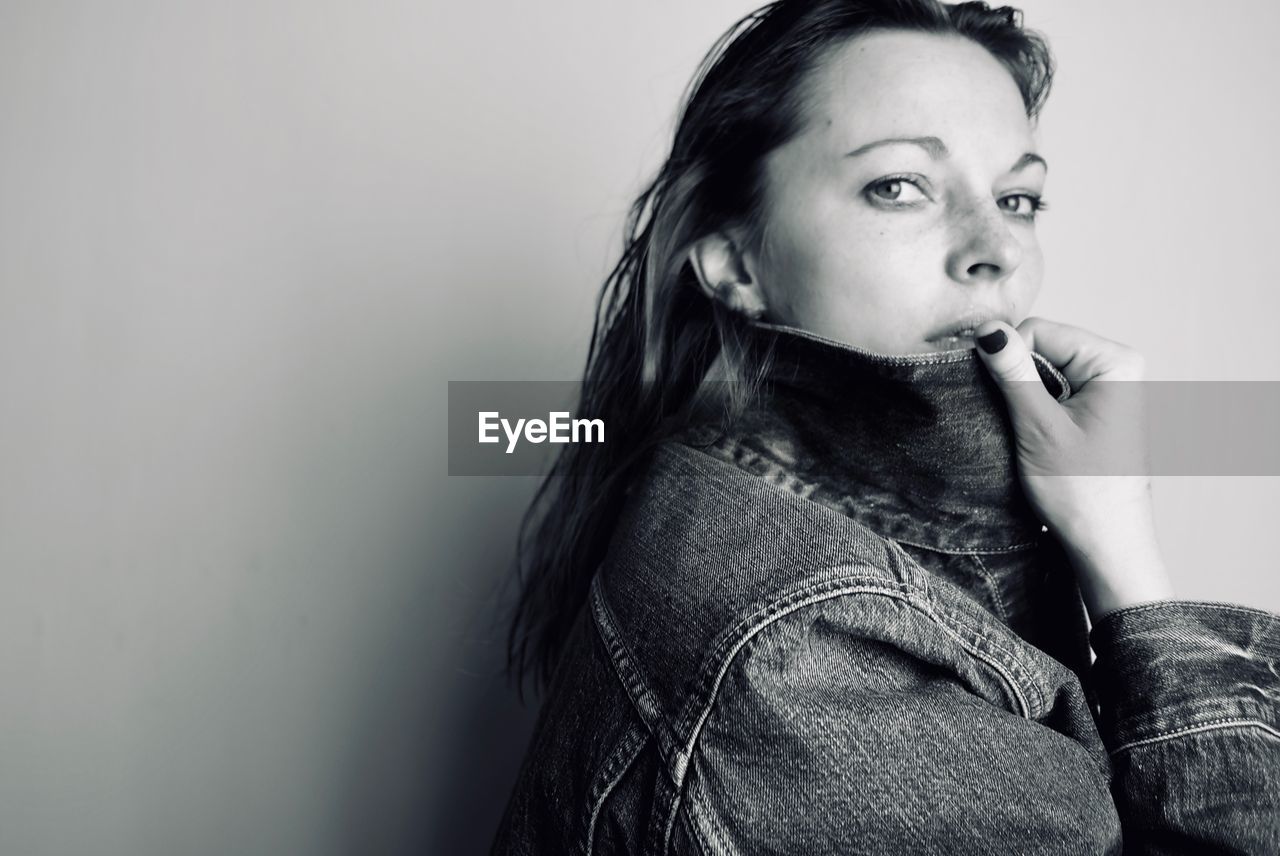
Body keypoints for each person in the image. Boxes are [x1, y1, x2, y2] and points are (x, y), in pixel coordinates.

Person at [491, 1, 1280, 853]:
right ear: (735, 264)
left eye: (1017, 197)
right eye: (898, 186)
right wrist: (1129, 571)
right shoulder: (802, 653)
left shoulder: (738, 493)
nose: (996, 249)